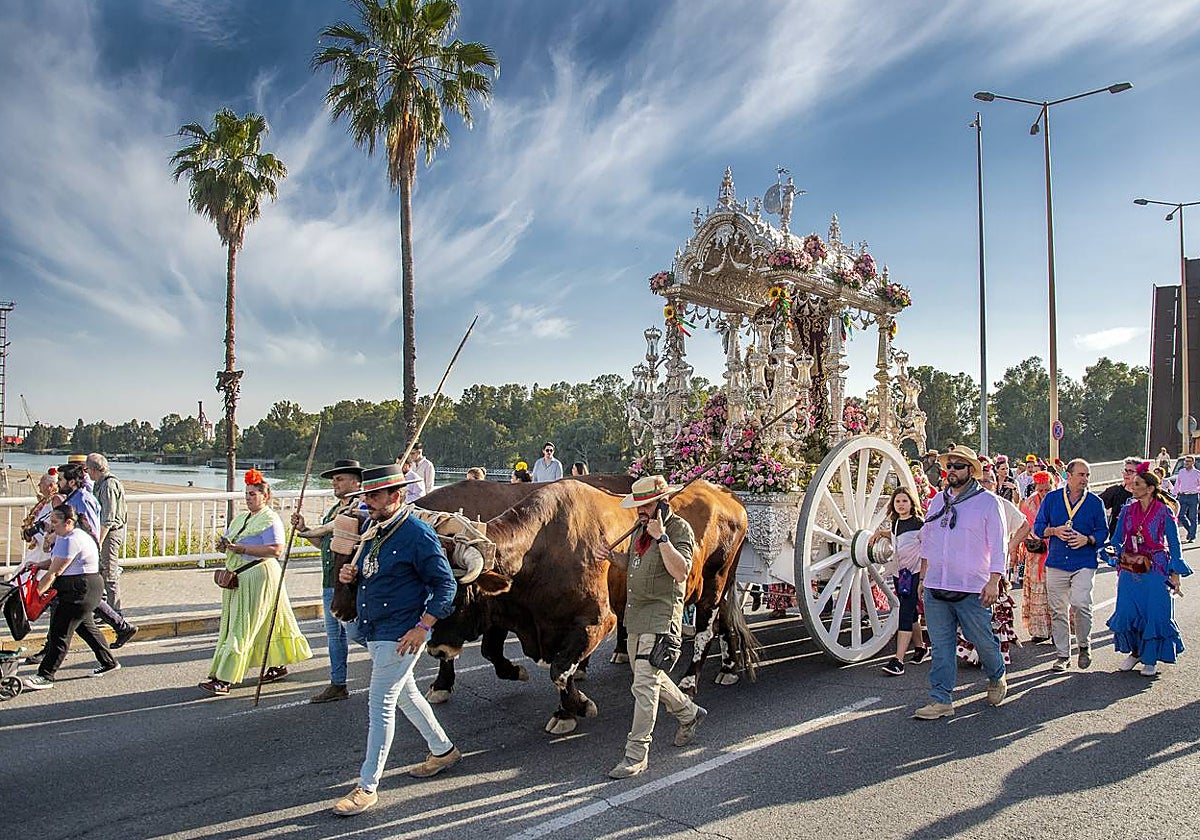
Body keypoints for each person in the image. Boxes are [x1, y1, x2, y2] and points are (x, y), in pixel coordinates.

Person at [331, 464, 461, 817]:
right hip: (376, 629)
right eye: (366, 496)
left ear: (397, 496)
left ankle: (367, 786)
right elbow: (373, 573)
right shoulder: (373, 529)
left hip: (401, 634)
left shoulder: (417, 534)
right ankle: (443, 749)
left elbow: (445, 585)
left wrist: (423, 627)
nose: (368, 502)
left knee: (381, 704)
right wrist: (353, 575)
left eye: (375, 496)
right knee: (406, 695)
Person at [596, 475, 707, 779]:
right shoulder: (639, 529)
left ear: (662, 502)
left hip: (660, 618)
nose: (640, 512)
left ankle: (636, 754)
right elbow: (634, 564)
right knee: (648, 677)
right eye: (638, 506)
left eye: (645, 506)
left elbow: (681, 571)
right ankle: (688, 713)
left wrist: (662, 538)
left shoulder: (678, 529)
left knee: (644, 686)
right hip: (636, 617)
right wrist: (612, 557)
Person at [913, 445, 1008, 720]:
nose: (951, 471)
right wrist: (923, 577)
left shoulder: (988, 502)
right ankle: (941, 699)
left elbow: (999, 545)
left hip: (971, 588)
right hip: (936, 586)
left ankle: (996, 675)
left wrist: (994, 581)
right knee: (941, 646)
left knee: (982, 640)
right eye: (949, 466)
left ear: (970, 471)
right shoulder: (937, 501)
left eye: (957, 466)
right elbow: (928, 541)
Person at [199, 470, 312, 696]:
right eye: (246, 494)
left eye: (252, 494)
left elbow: (276, 550)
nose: (248, 498)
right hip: (239, 576)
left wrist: (242, 549)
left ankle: (224, 678)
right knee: (265, 621)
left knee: (243, 625)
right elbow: (231, 543)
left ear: (265, 496)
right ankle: (276, 664)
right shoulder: (241, 519)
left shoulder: (270, 519)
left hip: (259, 574)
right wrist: (225, 547)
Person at [1106, 464, 1192, 677]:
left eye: (1137, 484)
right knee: (1128, 610)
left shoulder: (1164, 511)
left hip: (1156, 566)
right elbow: (1117, 539)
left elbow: (1174, 544)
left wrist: (1175, 573)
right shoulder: (1127, 510)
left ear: (1150, 488)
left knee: (1154, 611)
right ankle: (1136, 652)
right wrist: (1116, 552)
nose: (1132, 487)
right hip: (1130, 567)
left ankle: (1150, 658)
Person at [22, 504, 120, 689]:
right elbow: (55, 561)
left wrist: (35, 596)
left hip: (80, 590)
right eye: (51, 521)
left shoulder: (71, 539)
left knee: (59, 632)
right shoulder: (69, 535)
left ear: (68, 522)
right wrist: (38, 564)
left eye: (55, 522)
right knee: (85, 627)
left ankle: (45, 675)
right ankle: (108, 662)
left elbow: (55, 572)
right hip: (86, 587)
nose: (51, 526)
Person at [294, 459, 364, 704]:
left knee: (355, 632)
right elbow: (323, 543)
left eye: (340, 479)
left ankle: (393, 659)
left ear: (356, 482)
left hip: (349, 582)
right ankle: (338, 684)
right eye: (334, 480)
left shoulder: (362, 508)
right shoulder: (335, 510)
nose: (335, 483)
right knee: (334, 636)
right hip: (329, 580)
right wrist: (304, 529)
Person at [1033, 458, 1107, 672]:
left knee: (1081, 604)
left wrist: (1088, 539)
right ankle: (1062, 655)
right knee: (1058, 610)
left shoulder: (1095, 502)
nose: (1085, 479)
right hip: (1057, 561)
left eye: (1087, 475)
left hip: (1084, 561)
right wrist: (1054, 531)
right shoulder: (1052, 498)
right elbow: (1038, 527)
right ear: (1069, 475)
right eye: (1081, 475)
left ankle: (1084, 645)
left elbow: (1103, 532)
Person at [56, 463, 138, 648]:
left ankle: (51, 650)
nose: (57, 483)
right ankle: (120, 631)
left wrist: (88, 547)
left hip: (81, 556)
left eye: (60, 479)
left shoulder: (83, 499)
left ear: (71, 482)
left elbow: (90, 528)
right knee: (82, 602)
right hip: (74, 554)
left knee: (75, 597)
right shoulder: (72, 498)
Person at [957, 469, 1030, 666]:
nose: (984, 484)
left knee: (994, 612)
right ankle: (974, 652)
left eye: (988, 481)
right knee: (972, 612)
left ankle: (992, 655)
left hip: (994, 570)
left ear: (995, 484)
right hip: (970, 569)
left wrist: (1010, 546)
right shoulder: (968, 504)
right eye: (980, 481)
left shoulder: (1002, 504)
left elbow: (1025, 526)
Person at [872, 487, 927, 676]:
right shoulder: (896, 523)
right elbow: (896, 537)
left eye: (904, 501)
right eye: (897, 501)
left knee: (904, 613)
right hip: (900, 575)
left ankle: (898, 660)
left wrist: (922, 578)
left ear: (911, 503)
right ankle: (920, 647)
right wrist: (881, 533)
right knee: (911, 613)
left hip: (914, 574)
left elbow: (927, 551)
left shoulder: (919, 524)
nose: (901, 505)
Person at [85, 454, 132, 638]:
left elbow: (109, 517)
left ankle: (116, 614)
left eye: (88, 470)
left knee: (110, 573)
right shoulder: (100, 483)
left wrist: (99, 540)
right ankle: (104, 610)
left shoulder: (109, 485)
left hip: (110, 534)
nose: (87, 474)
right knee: (100, 571)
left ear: (93, 469)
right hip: (105, 532)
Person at [1017, 471, 1055, 643]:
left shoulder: (1060, 500)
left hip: (1056, 551)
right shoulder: (1029, 503)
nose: (1044, 493)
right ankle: (1040, 630)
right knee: (1037, 590)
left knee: (1056, 591)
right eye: (1041, 490)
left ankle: (1058, 631)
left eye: (1047, 490)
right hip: (1036, 552)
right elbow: (1023, 526)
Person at [1100, 458, 1140, 538]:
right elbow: (1095, 505)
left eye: (1130, 471)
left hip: (1140, 540)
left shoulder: (1146, 494)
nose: (1126, 474)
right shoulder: (1115, 491)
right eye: (1125, 470)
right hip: (1116, 540)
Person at [1171, 454, 1199, 542]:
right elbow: (1177, 484)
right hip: (1182, 496)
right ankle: (1190, 531)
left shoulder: (1197, 473)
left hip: (1193, 496)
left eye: (1188, 461)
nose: (1186, 463)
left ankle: (1192, 537)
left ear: (1193, 462)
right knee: (1180, 515)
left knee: (1192, 517)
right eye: (1185, 461)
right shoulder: (1181, 472)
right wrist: (1174, 495)